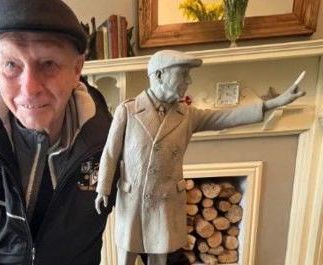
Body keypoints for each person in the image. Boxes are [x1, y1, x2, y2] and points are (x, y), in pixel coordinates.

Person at [0, 0, 116, 264]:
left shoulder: (110, 140)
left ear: (77, 68)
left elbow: (149, 212)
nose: (29, 88)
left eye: (49, 64)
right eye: (11, 65)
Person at [94, 50, 305, 265]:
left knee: (160, 258)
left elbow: (225, 117)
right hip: (133, 202)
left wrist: (271, 104)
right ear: (158, 75)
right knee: (126, 257)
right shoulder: (127, 111)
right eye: (183, 74)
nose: (189, 80)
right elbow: (110, 153)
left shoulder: (187, 115)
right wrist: (103, 188)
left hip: (164, 205)